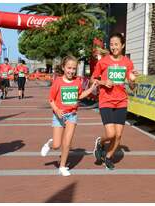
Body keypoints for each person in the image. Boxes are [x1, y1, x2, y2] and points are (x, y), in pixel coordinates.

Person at [40, 55, 98, 176]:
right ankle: (49, 144)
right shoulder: (58, 82)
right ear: (63, 67)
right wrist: (57, 110)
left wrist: (92, 88)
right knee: (57, 145)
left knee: (67, 143)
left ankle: (62, 166)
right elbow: (51, 99)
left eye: (73, 68)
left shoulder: (77, 81)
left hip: (72, 115)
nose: (71, 71)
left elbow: (80, 96)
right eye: (69, 68)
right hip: (58, 116)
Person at [90, 32, 138, 170]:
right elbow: (93, 79)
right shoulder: (103, 61)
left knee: (118, 135)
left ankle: (108, 157)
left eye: (116, 44)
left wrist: (134, 79)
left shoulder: (127, 62)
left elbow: (132, 87)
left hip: (121, 101)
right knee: (111, 134)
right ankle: (100, 142)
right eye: (111, 44)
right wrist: (104, 82)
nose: (113, 47)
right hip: (106, 101)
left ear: (122, 45)